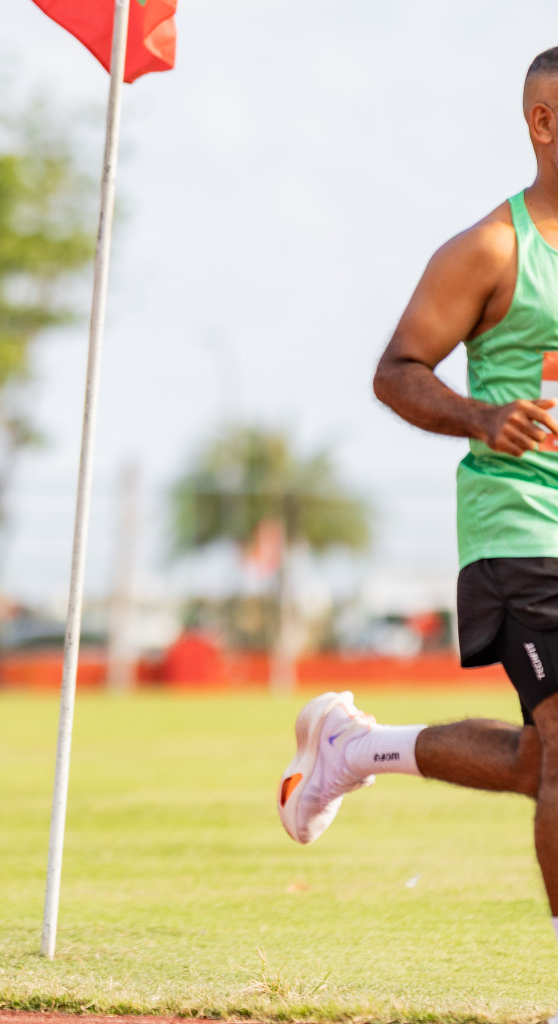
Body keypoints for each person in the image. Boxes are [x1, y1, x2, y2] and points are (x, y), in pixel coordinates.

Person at [281, 46, 558, 963]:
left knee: (542, 762)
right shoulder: (494, 248)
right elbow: (398, 371)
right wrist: (484, 416)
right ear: (544, 124)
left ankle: (354, 751)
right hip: (524, 526)